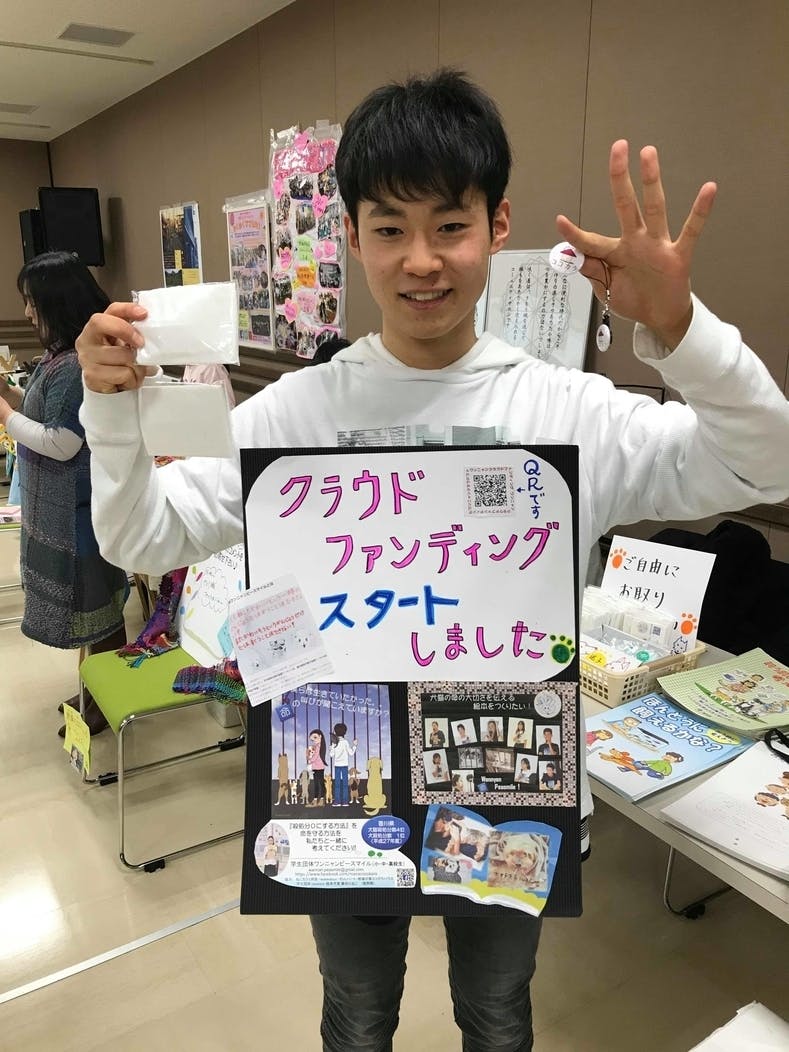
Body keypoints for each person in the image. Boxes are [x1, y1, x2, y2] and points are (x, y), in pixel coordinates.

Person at [74, 69, 789, 1052]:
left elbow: (764, 462)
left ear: (498, 225)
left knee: (496, 1014)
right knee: (356, 1014)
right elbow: (139, 537)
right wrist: (110, 411)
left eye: (450, 225)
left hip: (505, 788)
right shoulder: (296, 414)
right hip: (339, 781)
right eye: (389, 228)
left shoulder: (566, 410)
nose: (421, 260)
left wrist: (682, 329)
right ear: (351, 233)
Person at [6, 251, 128, 736]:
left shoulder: (77, 365)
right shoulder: (60, 357)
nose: (27, 312)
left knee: (100, 612)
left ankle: (108, 700)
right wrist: (11, 397)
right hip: (65, 510)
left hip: (81, 513)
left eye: (32, 302)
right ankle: (94, 690)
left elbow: (62, 441)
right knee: (90, 613)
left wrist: (4, 415)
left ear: (56, 301)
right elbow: (42, 415)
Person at [329, 721, 357, 806]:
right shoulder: (345, 742)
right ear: (344, 732)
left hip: (337, 765)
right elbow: (351, 753)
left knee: (337, 784)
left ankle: (337, 801)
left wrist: (331, 748)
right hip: (345, 765)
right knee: (345, 784)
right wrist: (354, 745)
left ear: (335, 732)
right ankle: (345, 802)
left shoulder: (334, 743)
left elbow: (331, 755)